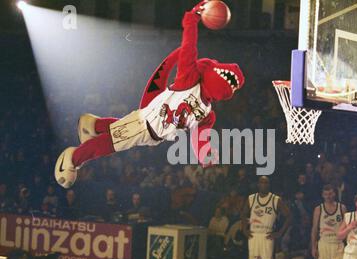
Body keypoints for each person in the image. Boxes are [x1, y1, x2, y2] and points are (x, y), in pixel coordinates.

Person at [54, 0, 245, 189]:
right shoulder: (190, 79)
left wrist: (206, 156)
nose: (232, 86)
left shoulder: (207, 113)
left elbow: (200, 136)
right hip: (144, 122)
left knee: (117, 133)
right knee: (110, 143)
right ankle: (73, 157)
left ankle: (93, 124)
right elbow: (189, 46)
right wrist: (192, 20)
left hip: (154, 135)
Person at [241, 176, 292, 259]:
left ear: (269, 185)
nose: (264, 184)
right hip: (254, 235)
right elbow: (243, 214)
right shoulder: (251, 198)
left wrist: (279, 233)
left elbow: (289, 216)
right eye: (261, 182)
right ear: (258, 184)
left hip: (267, 235)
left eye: (266, 182)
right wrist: (244, 229)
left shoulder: (275, 199)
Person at [311, 184, 347, 259]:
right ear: (322, 195)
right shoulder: (318, 209)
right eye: (326, 194)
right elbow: (314, 229)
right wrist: (313, 247)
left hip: (338, 244)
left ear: (334, 194)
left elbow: (347, 228)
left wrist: (346, 245)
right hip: (324, 244)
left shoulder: (342, 208)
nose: (328, 196)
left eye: (330, 193)